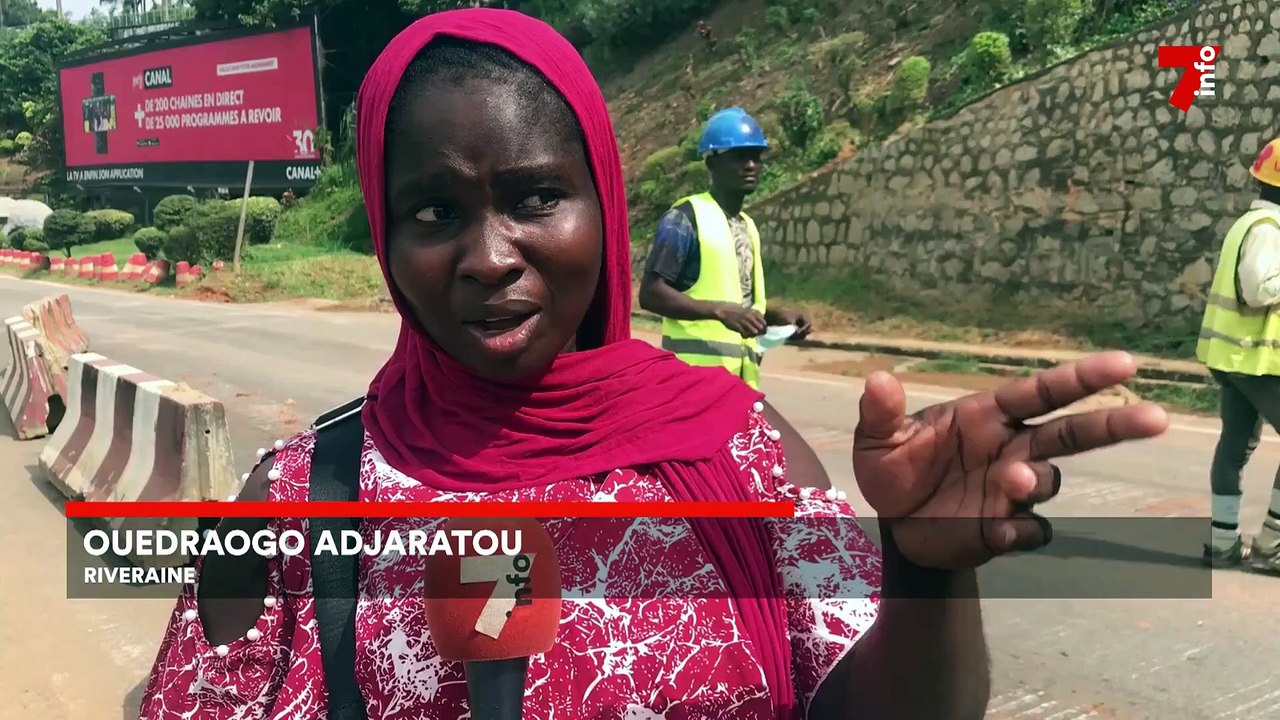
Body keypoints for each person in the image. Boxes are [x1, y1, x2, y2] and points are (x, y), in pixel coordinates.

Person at [138, 9, 1168, 719]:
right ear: (384, 234)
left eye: (536, 196)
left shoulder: (746, 455)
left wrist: (924, 573)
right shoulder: (295, 500)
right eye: (433, 211)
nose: (491, 256)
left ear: (603, 207)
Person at [638, 107, 810, 391]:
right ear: (711, 163)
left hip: (741, 384)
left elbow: (739, 306)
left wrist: (779, 317)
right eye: (739, 156)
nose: (751, 165)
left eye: (756, 157)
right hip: (692, 385)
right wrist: (719, 311)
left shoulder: (747, 227)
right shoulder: (685, 218)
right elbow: (651, 293)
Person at [1197, 137, 1280, 573]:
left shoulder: (1249, 224)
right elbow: (1259, 288)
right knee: (1234, 446)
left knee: (1235, 445)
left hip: (1234, 358)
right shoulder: (1269, 229)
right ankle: (1272, 545)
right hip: (1256, 362)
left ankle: (1223, 542)